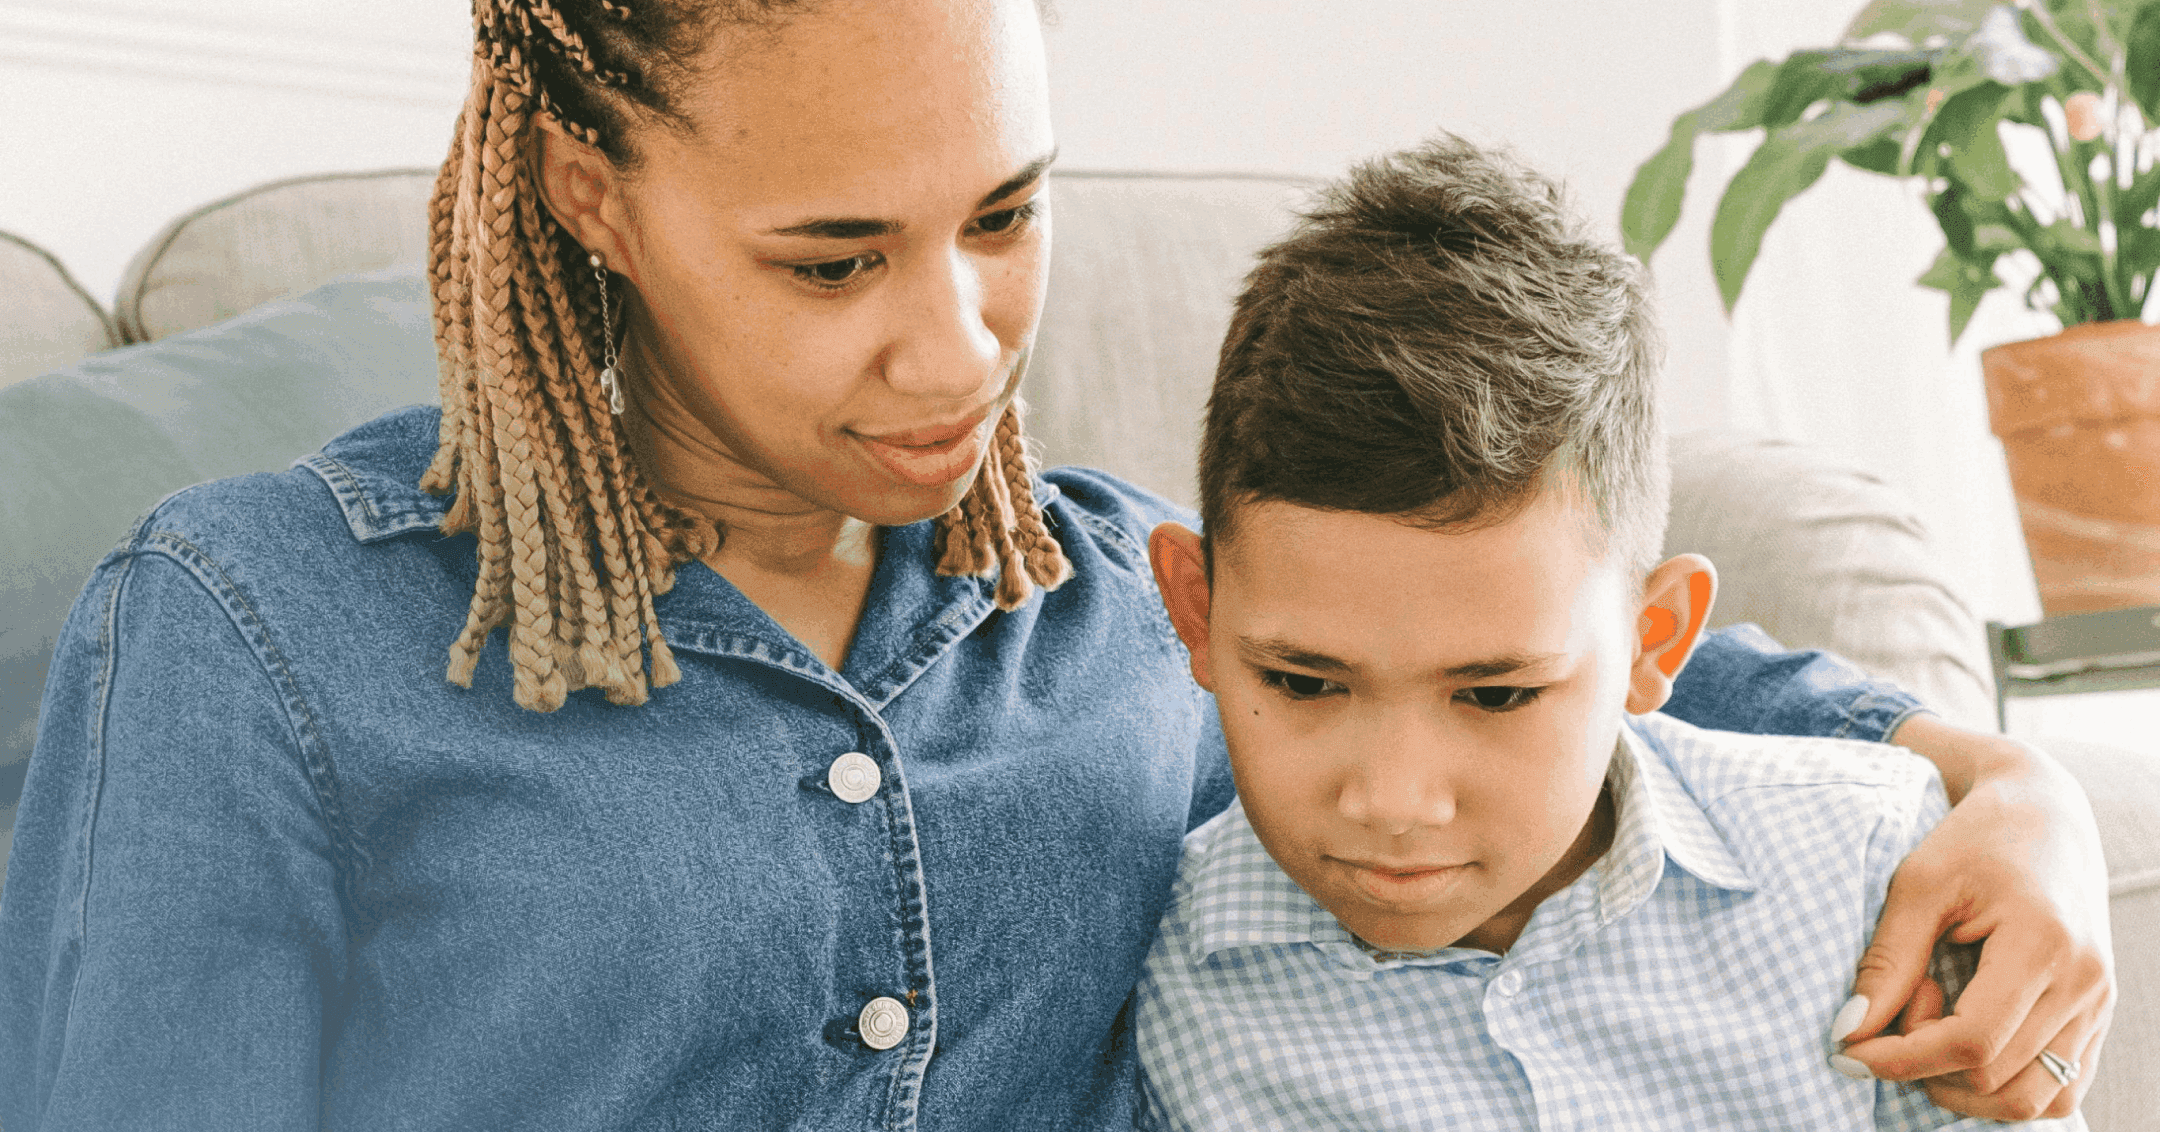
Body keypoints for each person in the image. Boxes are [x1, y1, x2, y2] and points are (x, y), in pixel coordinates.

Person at [0, 1, 2110, 1129]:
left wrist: (2020, 801)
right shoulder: (253, 633)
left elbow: (1566, 670)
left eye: (1003, 214)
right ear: (590, 194)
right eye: (833, 259)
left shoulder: (1129, 606)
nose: (958, 345)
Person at [1132, 135, 2089, 1131]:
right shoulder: (1135, 989)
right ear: (1195, 608)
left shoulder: (1878, 873)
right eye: (1303, 681)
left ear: (1656, 639)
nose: (1395, 801)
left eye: (1497, 694)